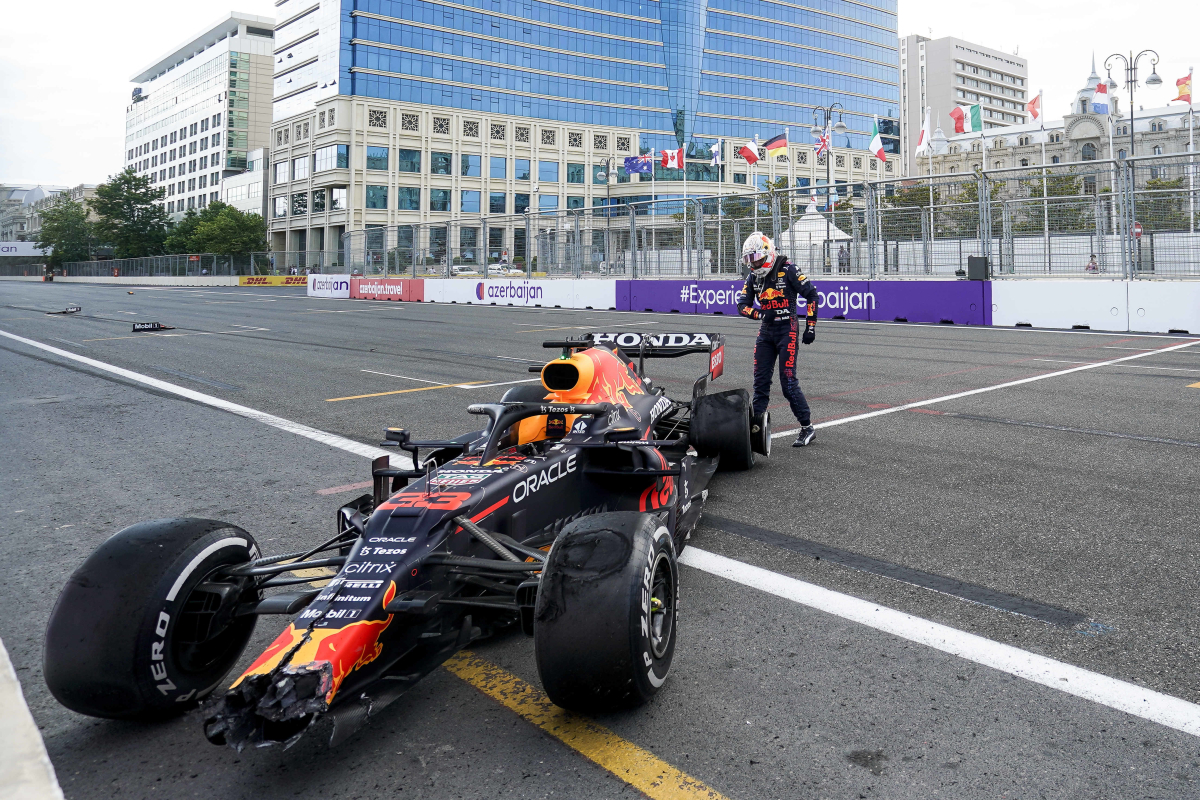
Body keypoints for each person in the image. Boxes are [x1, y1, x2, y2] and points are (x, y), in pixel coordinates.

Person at [736, 232, 819, 447]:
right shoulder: (753, 276)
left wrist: (811, 327)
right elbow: (742, 305)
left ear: (768, 253)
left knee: (788, 382)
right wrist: (761, 315)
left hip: (787, 329)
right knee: (760, 382)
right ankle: (756, 429)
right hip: (766, 331)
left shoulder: (788, 268)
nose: (753, 264)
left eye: (756, 259)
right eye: (749, 260)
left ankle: (807, 427)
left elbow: (811, 294)